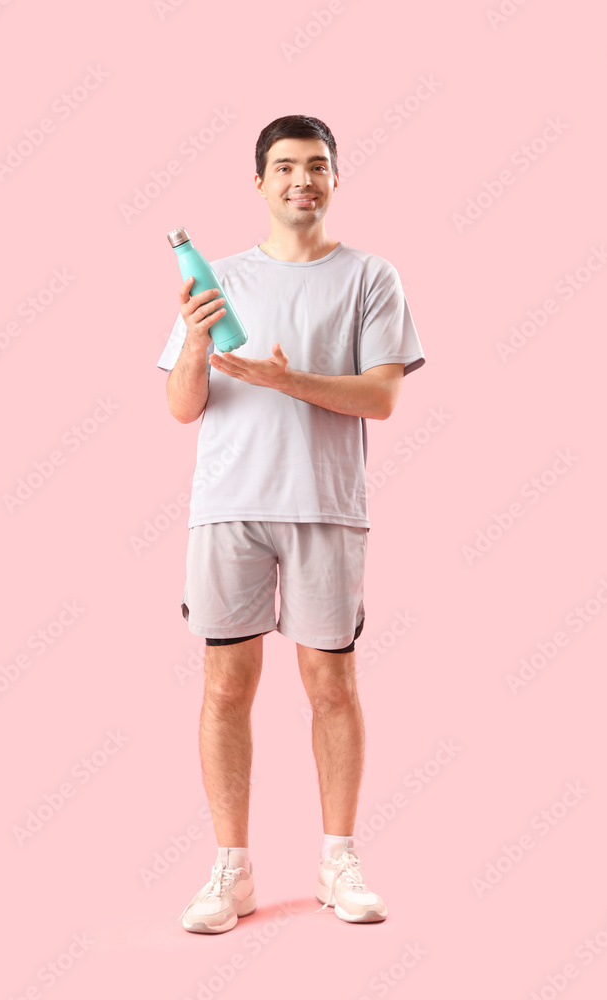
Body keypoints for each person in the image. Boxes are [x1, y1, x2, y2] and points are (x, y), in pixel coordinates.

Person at [157, 115, 426, 934]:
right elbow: (181, 406)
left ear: (336, 178)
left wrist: (290, 380)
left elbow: (380, 397)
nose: (300, 180)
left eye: (316, 166)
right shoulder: (220, 279)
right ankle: (232, 871)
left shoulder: (371, 277)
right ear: (260, 183)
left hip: (326, 507)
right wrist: (200, 345)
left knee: (331, 685)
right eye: (284, 167)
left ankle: (337, 861)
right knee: (224, 688)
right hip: (228, 507)